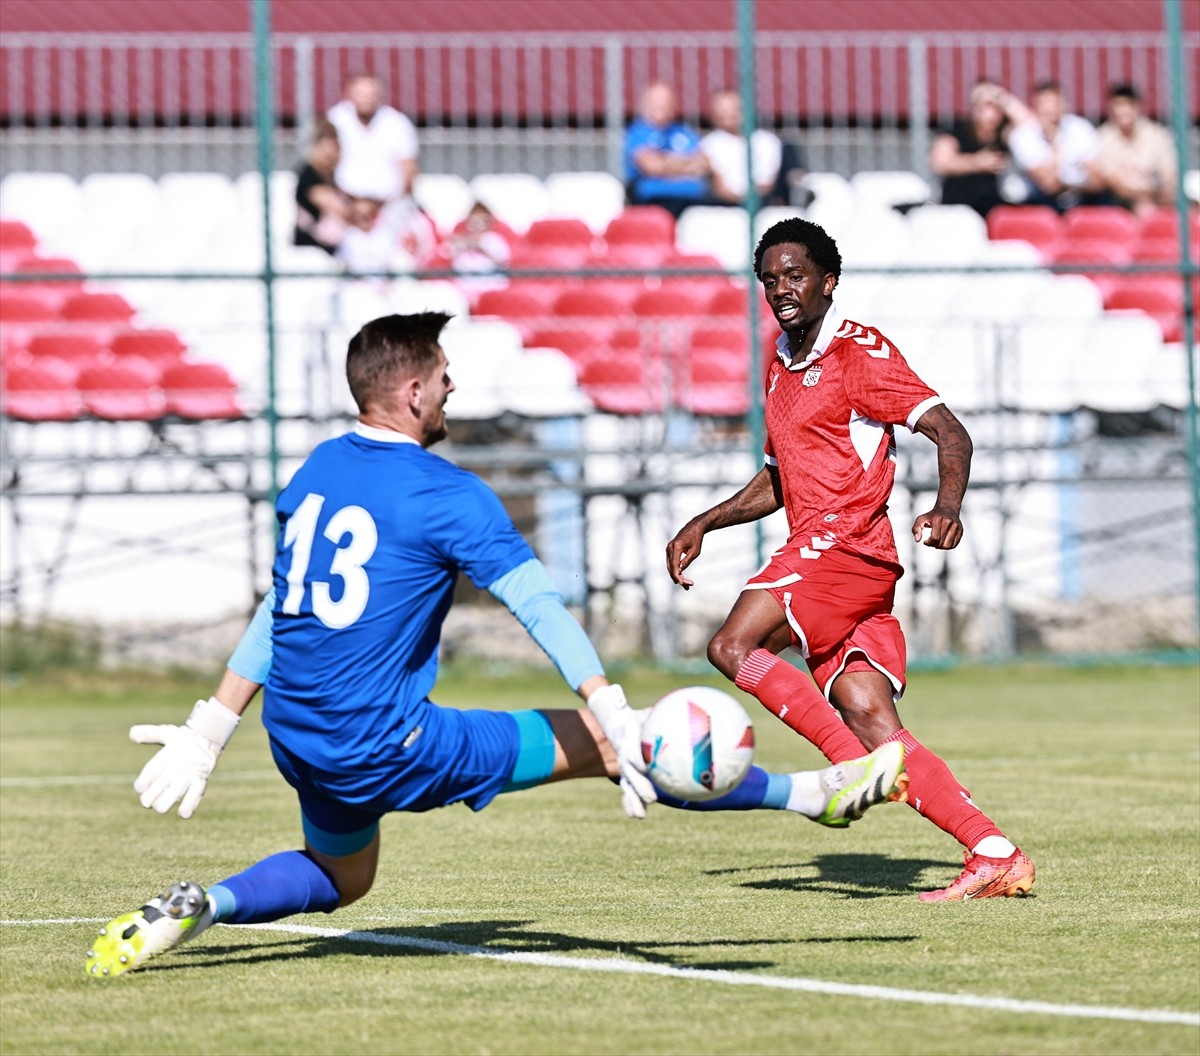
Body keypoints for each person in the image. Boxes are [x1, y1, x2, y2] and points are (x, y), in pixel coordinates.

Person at [84, 311, 909, 979]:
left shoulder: (318, 472)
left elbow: (281, 610)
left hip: (297, 737)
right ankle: (815, 796)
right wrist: (610, 705)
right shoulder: (447, 492)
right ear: (410, 392)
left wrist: (209, 730)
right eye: (443, 379)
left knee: (344, 877)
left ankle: (204, 904)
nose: (452, 392)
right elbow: (539, 606)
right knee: (619, 747)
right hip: (388, 743)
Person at [665, 218, 1035, 903]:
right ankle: (994, 851)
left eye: (796, 276)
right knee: (872, 720)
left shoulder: (858, 353)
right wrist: (707, 520)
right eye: (770, 279)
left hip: (847, 545)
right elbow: (779, 477)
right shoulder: (779, 361)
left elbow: (950, 432)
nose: (781, 290)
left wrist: (948, 507)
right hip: (829, 553)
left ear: (829, 282)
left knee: (732, 644)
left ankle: (840, 773)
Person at [1007, 80, 1110, 213]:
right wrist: (1055, 144)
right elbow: (1049, 185)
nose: (1051, 110)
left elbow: (1097, 181)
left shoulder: (1081, 128)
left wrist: (1072, 184)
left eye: (1055, 103)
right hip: (1040, 202)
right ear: (1036, 106)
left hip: (1082, 198)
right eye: (1045, 104)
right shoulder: (1023, 136)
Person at [929, 80, 1021, 219]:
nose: (990, 112)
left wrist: (1003, 98)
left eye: (995, 106)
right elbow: (940, 162)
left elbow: (1032, 127)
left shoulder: (1003, 133)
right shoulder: (957, 130)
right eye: (985, 105)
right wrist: (977, 163)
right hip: (958, 207)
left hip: (992, 207)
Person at [327, 72, 420, 203]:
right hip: (345, 203)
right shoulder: (335, 120)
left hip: (389, 203)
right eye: (361, 94)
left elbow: (408, 167)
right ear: (348, 94)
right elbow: (323, 163)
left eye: (371, 94)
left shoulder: (397, 122)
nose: (366, 99)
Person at [624, 82, 714, 218]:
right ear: (644, 105)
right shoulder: (638, 133)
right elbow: (652, 166)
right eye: (655, 103)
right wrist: (686, 163)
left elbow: (703, 165)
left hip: (695, 199)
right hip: (655, 200)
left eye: (666, 102)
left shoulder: (684, 131)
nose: (661, 107)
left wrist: (665, 162)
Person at [1091, 83, 1177, 217]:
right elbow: (1114, 184)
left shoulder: (1156, 135)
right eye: (1118, 106)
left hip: (1157, 197)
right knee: (1145, 210)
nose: (1122, 111)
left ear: (1138, 107)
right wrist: (1144, 193)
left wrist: (1162, 191)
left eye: (1127, 105)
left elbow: (1169, 175)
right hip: (1119, 201)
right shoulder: (1102, 137)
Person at [700, 88, 784, 208]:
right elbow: (719, 187)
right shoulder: (707, 144)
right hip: (722, 206)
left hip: (764, 204)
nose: (727, 114)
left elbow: (767, 183)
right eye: (722, 109)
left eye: (732, 109)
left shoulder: (768, 141)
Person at [335, 195, 438, 275]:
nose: (363, 220)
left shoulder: (384, 234)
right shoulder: (348, 236)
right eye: (358, 216)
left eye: (367, 216)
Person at [293, 118, 351, 255]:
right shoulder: (310, 174)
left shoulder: (330, 176)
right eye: (327, 146)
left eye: (334, 147)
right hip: (311, 249)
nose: (331, 152)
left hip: (332, 248)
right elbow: (337, 208)